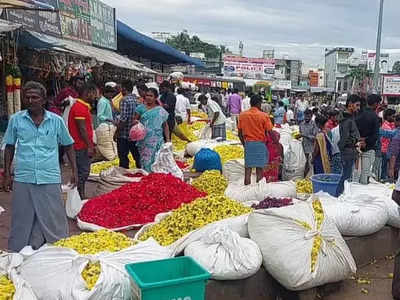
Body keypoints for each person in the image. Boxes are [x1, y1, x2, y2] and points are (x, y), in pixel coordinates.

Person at [3, 81, 77, 252]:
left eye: (35, 97)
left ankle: (57, 250)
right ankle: (19, 252)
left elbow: (68, 145)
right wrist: (7, 173)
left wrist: (74, 171)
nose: (30, 100)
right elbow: (9, 146)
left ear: (43, 100)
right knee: (22, 216)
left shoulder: (56, 121)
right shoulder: (16, 120)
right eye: (27, 97)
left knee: (53, 216)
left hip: (49, 175)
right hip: (24, 175)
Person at [68, 82, 97, 199]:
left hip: (82, 144)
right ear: (87, 93)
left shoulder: (82, 106)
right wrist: (89, 146)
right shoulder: (79, 107)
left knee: (82, 171)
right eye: (94, 93)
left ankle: (80, 193)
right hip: (80, 146)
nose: (95, 96)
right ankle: (79, 194)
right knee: (83, 172)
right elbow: (82, 129)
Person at [238, 94, 273, 185]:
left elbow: (239, 134)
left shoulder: (242, 115)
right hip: (260, 144)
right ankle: (258, 191)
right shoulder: (264, 116)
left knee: (248, 171)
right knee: (259, 171)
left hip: (248, 144)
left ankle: (246, 191)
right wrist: (274, 142)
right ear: (259, 103)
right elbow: (269, 131)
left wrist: (244, 144)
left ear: (250, 103)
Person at [136, 88, 170, 172]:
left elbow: (165, 125)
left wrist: (168, 139)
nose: (148, 97)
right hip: (144, 140)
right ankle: (147, 176)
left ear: (155, 97)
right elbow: (135, 121)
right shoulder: (140, 108)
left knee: (157, 159)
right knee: (145, 160)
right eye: (147, 95)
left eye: (151, 96)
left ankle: (155, 178)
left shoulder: (160, 110)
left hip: (157, 139)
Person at [337, 95, 363, 195]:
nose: (358, 108)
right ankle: (338, 195)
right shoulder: (347, 120)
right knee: (346, 177)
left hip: (350, 151)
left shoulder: (349, 118)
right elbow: (344, 139)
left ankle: (339, 195)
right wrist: (343, 149)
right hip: (348, 151)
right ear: (350, 105)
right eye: (357, 105)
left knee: (346, 176)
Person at [113, 80, 141, 169]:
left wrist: (116, 132)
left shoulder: (124, 100)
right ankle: (141, 173)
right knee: (137, 156)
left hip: (124, 135)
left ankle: (124, 175)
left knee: (123, 158)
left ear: (124, 89)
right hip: (135, 134)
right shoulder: (136, 100)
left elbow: (123, 119)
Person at [355, 94, 381, 184]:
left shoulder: (358, 113)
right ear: (376, 104)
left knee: (355, 173)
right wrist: (365, 141)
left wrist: (359, 140)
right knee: (365, 174)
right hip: (368, 148)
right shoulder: (375, 117)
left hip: (356, 146)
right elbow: (375, 135)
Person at [299, 109, 318, 177]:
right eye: (305, 116)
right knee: (304, 163)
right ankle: (304, 177)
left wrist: (304, 135)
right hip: (303, 147)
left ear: (311, 116)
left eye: (308, 116)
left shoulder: (314, 125)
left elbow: (315, 137)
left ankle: (309, 177)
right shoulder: (301, 124)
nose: (306, 118)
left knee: (310, 164)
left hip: (312, 148)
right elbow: (300, 134)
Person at [381, 109, 396, 180]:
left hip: (389, 150)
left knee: (388, 167)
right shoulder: (385, 126)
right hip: (385, 149)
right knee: (384, 167)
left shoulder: (391, 125)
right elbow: (393, 135)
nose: (394, 118)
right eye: (393, 117)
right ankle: (383, 179)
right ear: (388, 116)